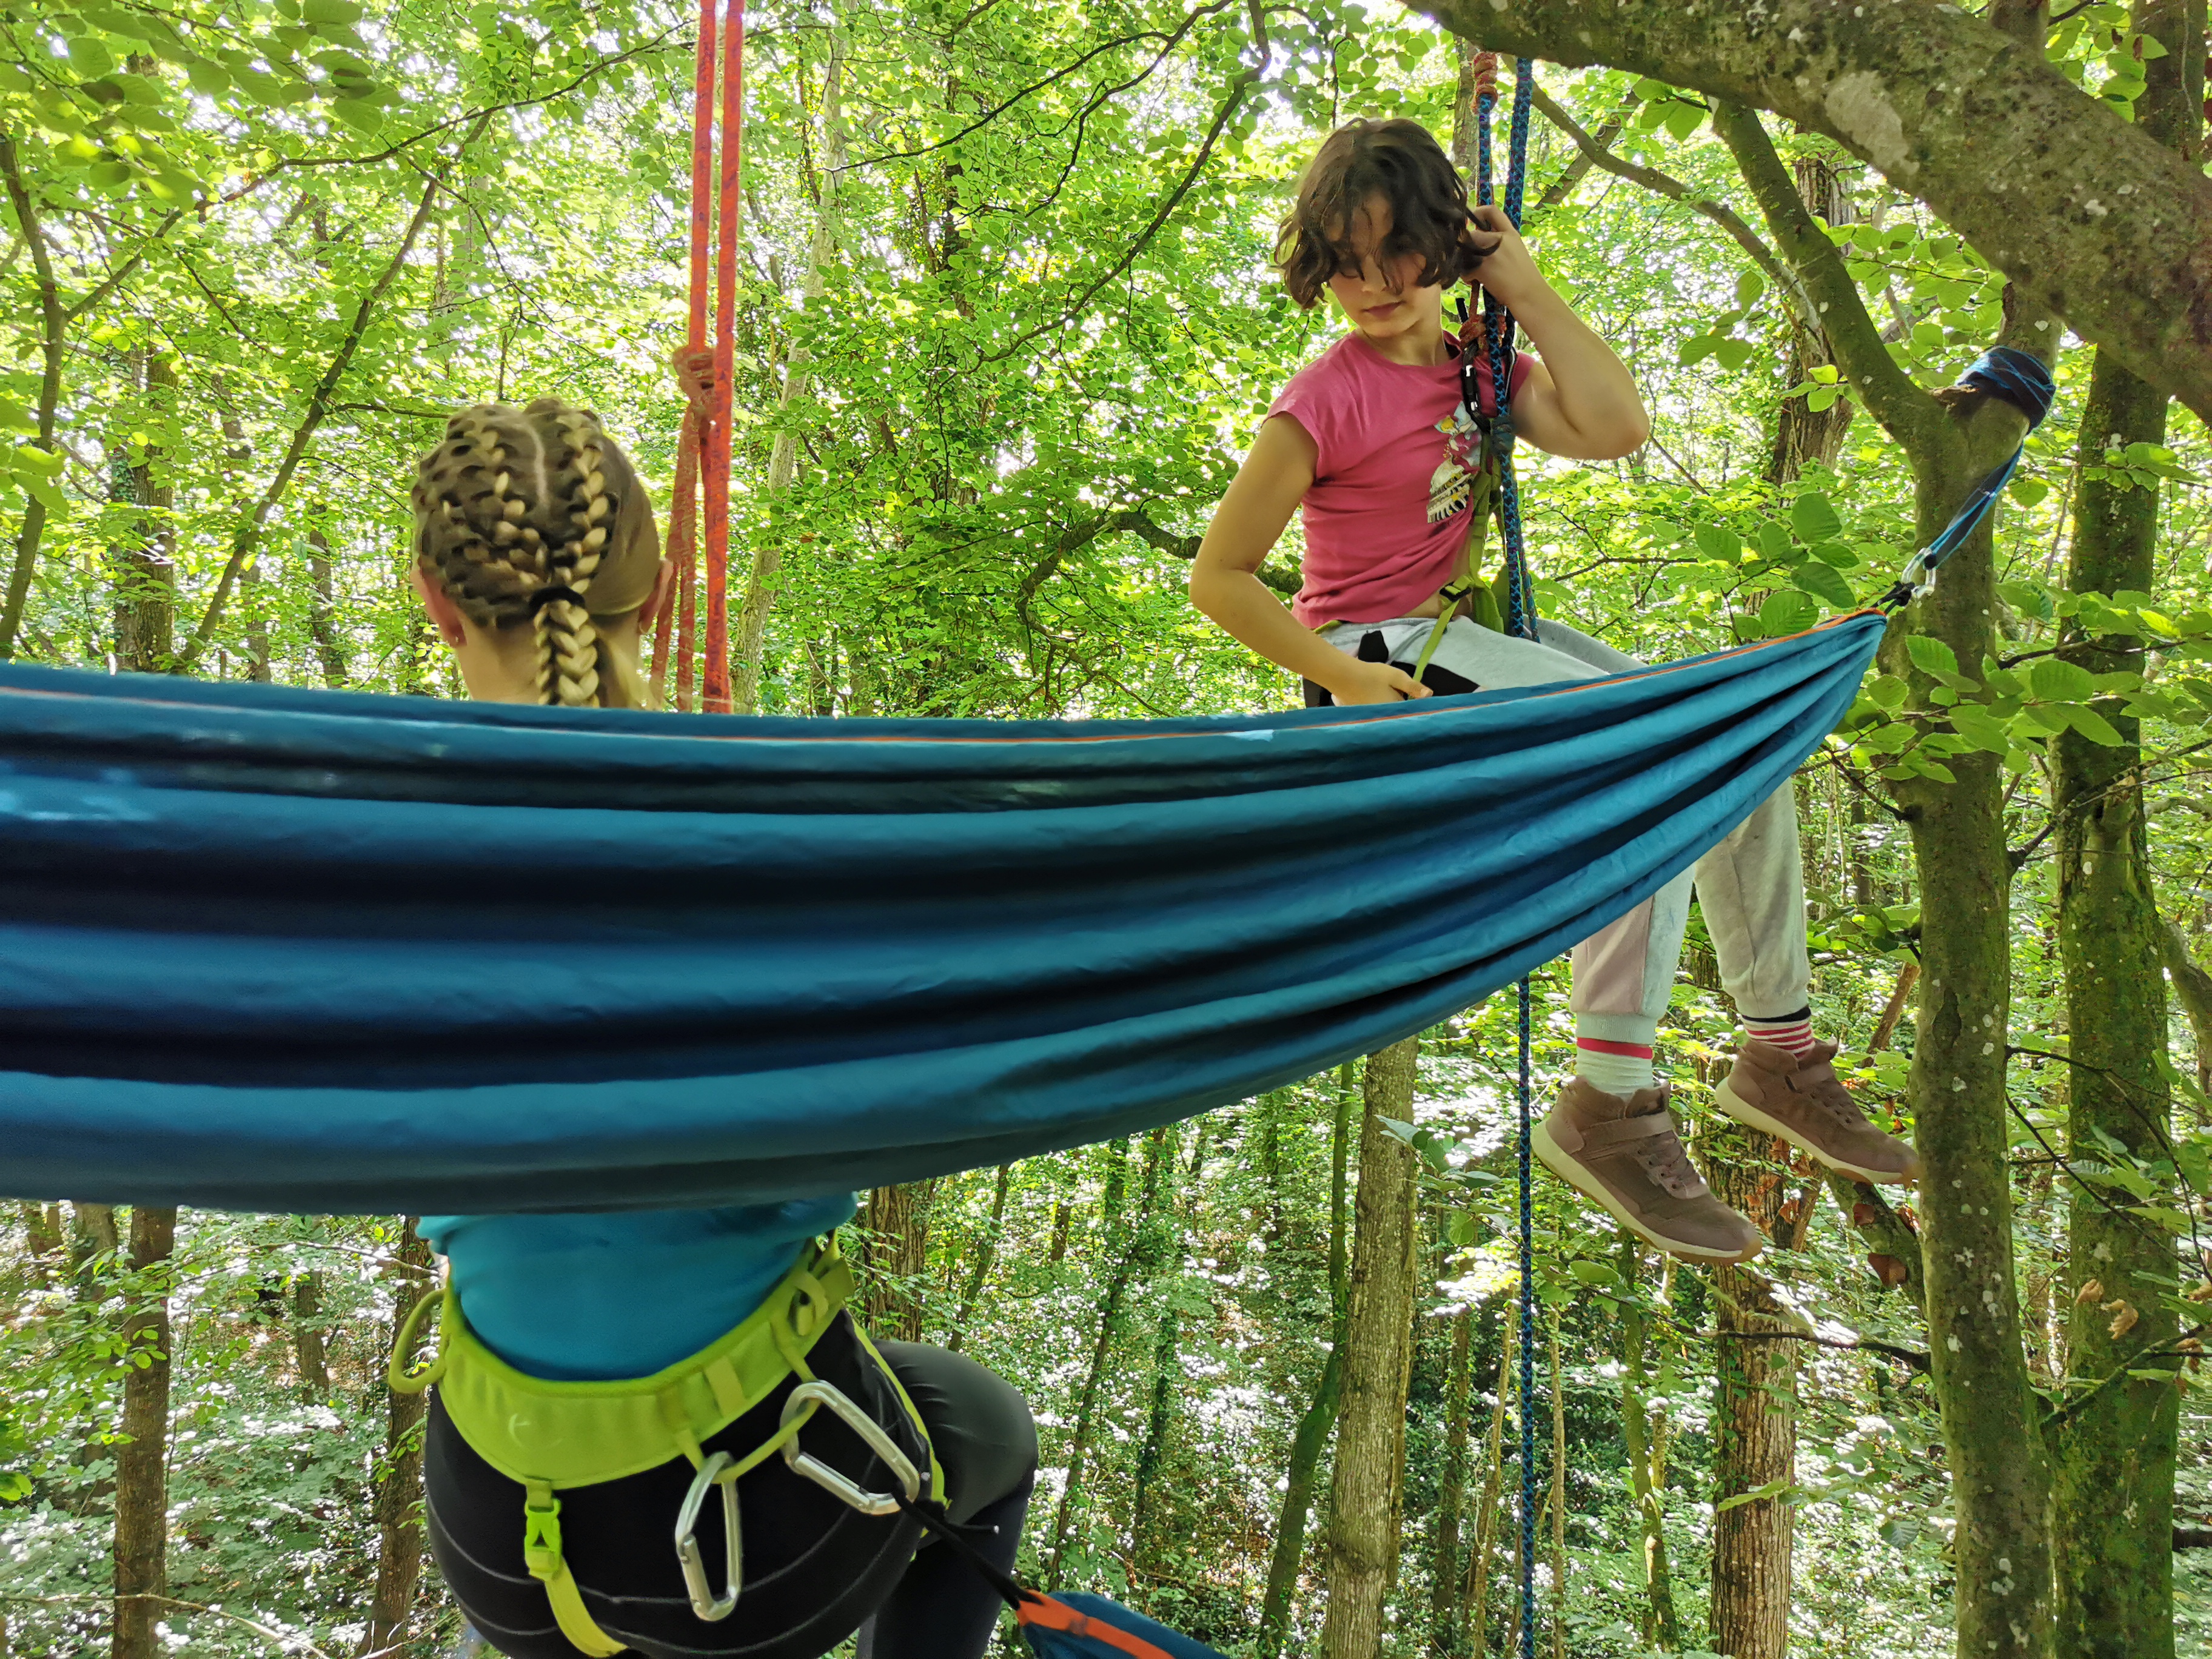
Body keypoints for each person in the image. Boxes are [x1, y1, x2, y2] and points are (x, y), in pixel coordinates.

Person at [1186, 112, 1919, 1265]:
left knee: (1735, 738)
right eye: (1346, 261)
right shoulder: (1323, 400)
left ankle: (1777, 1049)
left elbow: (1617, 427)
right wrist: (1341, 679)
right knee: (1646, 753)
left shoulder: (1482, 367)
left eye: (1399, 254)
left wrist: (1522, 283)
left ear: (1447, 247)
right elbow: (1220, 578)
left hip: (1468, 636)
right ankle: (1611, 1102)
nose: (1373, 284)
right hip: (1381, 660)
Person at [405, 395, 1037, 1659]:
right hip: (756, 1545)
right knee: (985, 1426)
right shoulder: (777, 852)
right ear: (664, 583)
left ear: (435, 599)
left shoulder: (384, 862)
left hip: (493, 1549)